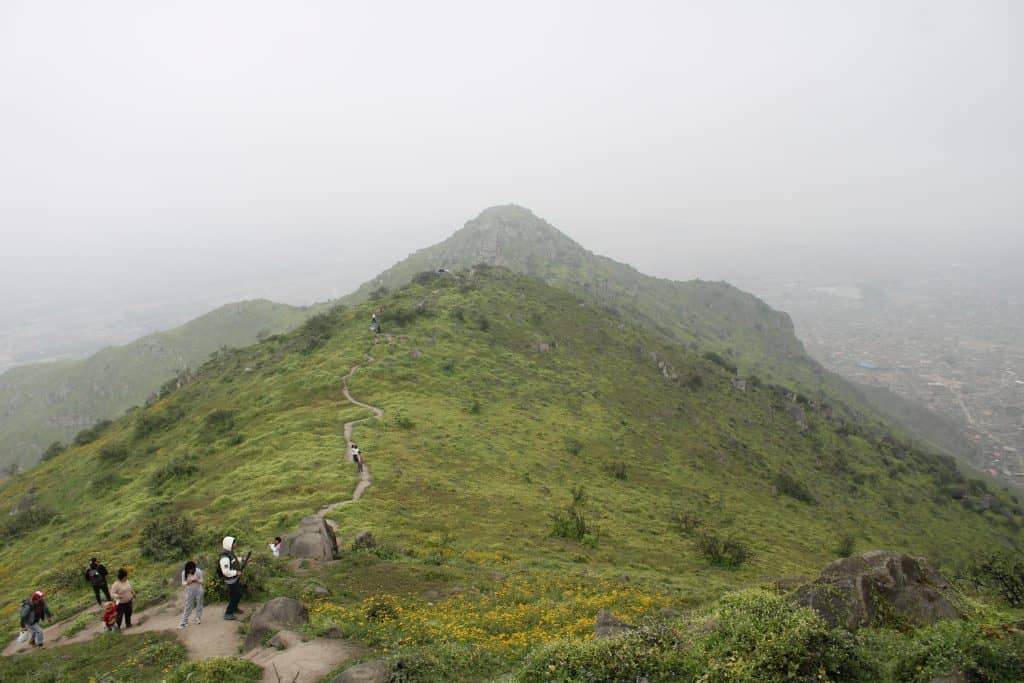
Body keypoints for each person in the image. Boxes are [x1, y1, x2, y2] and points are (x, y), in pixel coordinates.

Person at [219, 536, 244, 620]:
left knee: (237, 594)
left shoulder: (230, 553)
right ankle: (228, 613)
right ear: (229, 544)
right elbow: (225, 571)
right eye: (234, 543)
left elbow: (233, 561)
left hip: (235, 579)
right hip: (231, 580)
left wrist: (242, 559)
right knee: (236, 595)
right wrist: (236, 572)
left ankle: (235, 608)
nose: (235, 544)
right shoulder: (224, 557)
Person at [179, 560, 204, 628]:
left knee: (199, 604)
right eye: (189, 569)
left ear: (194, 568)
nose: (191, 571)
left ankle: (198, 618)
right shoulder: (184, 573)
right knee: (188, 606)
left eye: (192, 569)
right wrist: (187, 582)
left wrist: (197, 580)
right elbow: (183, 583)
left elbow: (202, 581)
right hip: (189, 590)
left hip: (199, 589)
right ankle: (184, 622)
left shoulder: (198, 571)